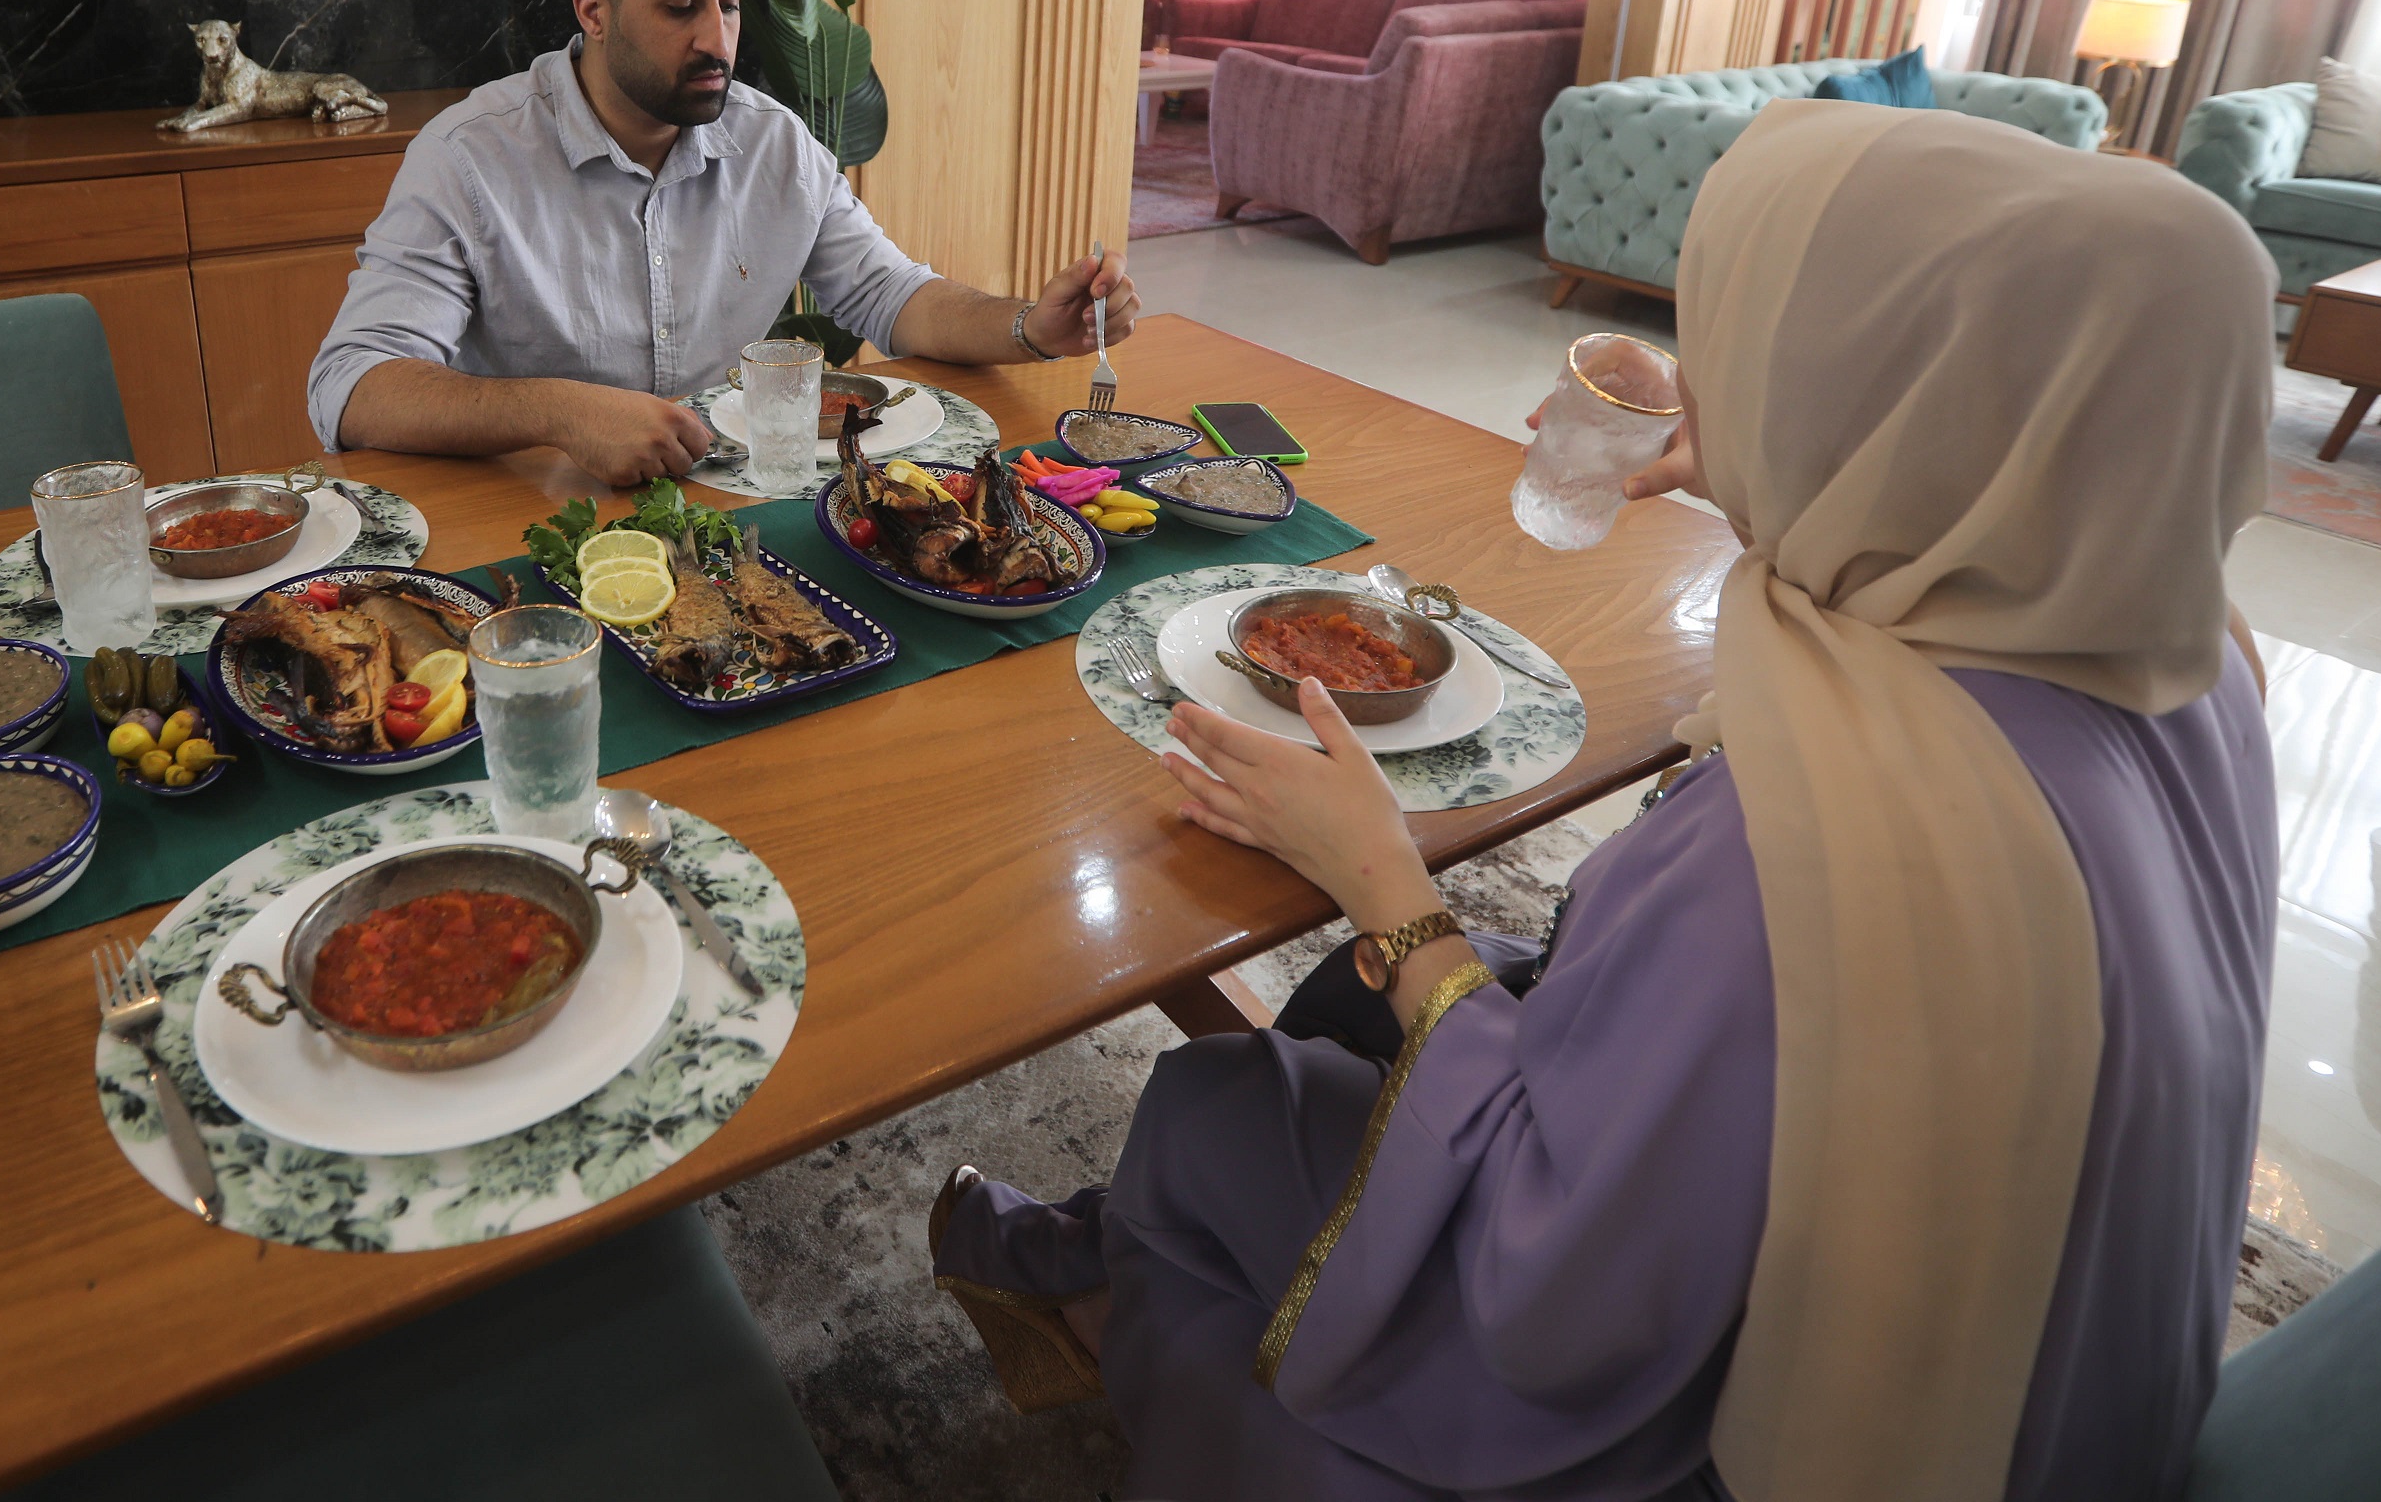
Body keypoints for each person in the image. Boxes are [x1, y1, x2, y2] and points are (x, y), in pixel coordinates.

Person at [927, 100, 2284, 1501]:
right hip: (2022, 1356)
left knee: (1213, 1102)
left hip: (1721, 1419)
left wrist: (1388, 888)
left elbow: (1551, 1288)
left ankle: (1106, 1307)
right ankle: (1109, 1266)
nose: (1717, 384)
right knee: (1345, 1003)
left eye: (1765, 352)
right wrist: (1752, 448)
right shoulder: (2189, 665)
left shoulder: (1814, 842)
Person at [305, 0, 1139, 486]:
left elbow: (893, 296)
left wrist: (1031, 326)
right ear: (593, 12)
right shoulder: (468, 155)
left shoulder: (774, 145)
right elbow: (353, 388)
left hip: (725, 504)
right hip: (534, 510)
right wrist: (560, 412)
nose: (719, 39)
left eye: (731, 2)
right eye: (681, 6)